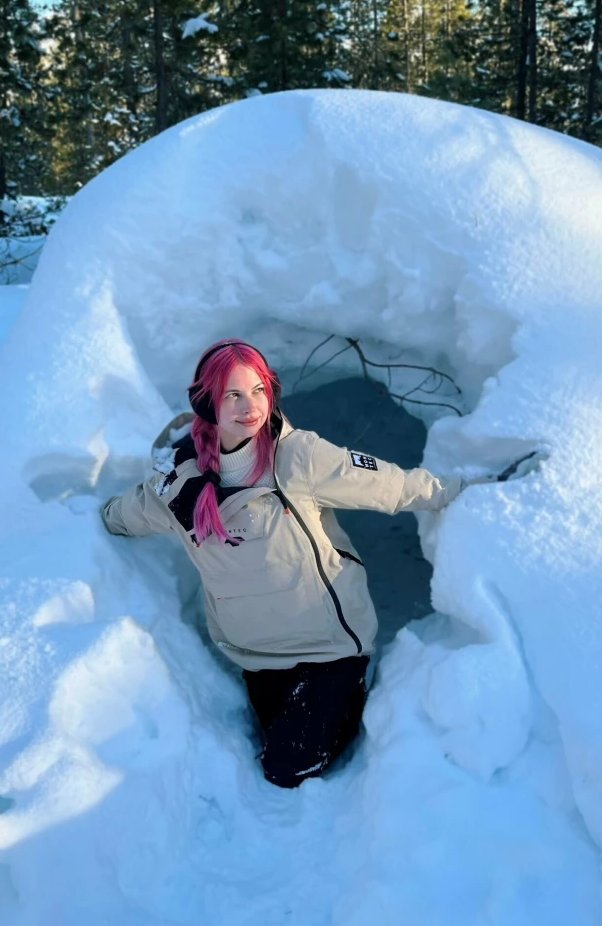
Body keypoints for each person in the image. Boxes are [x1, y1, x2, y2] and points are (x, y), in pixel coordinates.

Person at [100, 338, 483, 789]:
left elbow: (392, 486)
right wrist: (74, 519)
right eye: (233, 395)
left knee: (286, 770)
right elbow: (119, 517)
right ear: (207, 402)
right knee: (279, 748)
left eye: (259, 390)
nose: (251, 407)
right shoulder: (176, 484)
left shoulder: (298, 456)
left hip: (328, 652)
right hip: (256, 658)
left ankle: (352, 690)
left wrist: (465, 490)